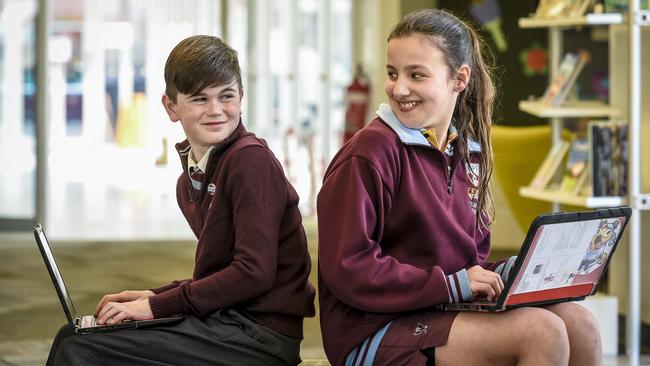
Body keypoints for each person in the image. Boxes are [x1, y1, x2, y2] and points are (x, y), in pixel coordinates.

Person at [317, 9, 601, 366]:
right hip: (371, 328)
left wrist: (508, 272)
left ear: (459, 78)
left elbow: (467, 262)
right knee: (541, 331)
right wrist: (451, 285)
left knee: (580, 322)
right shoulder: (369, 152)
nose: (399, 88)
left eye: (416, 75)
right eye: (393, 74)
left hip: (441, 308)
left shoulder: (466, 152)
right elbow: (348, 267)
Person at [46, 35, 316, 366]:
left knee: (81, 349)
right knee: (73, 334)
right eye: (199, 99)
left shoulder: (250, 162)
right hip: (228, 321)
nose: (216, 110)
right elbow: (221, 272)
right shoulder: (191, 180)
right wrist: (156, 295)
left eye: (226, 96)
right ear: (171, 107)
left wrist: (155, 307)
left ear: (242, 98)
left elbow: (252, 273)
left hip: (259, 336)